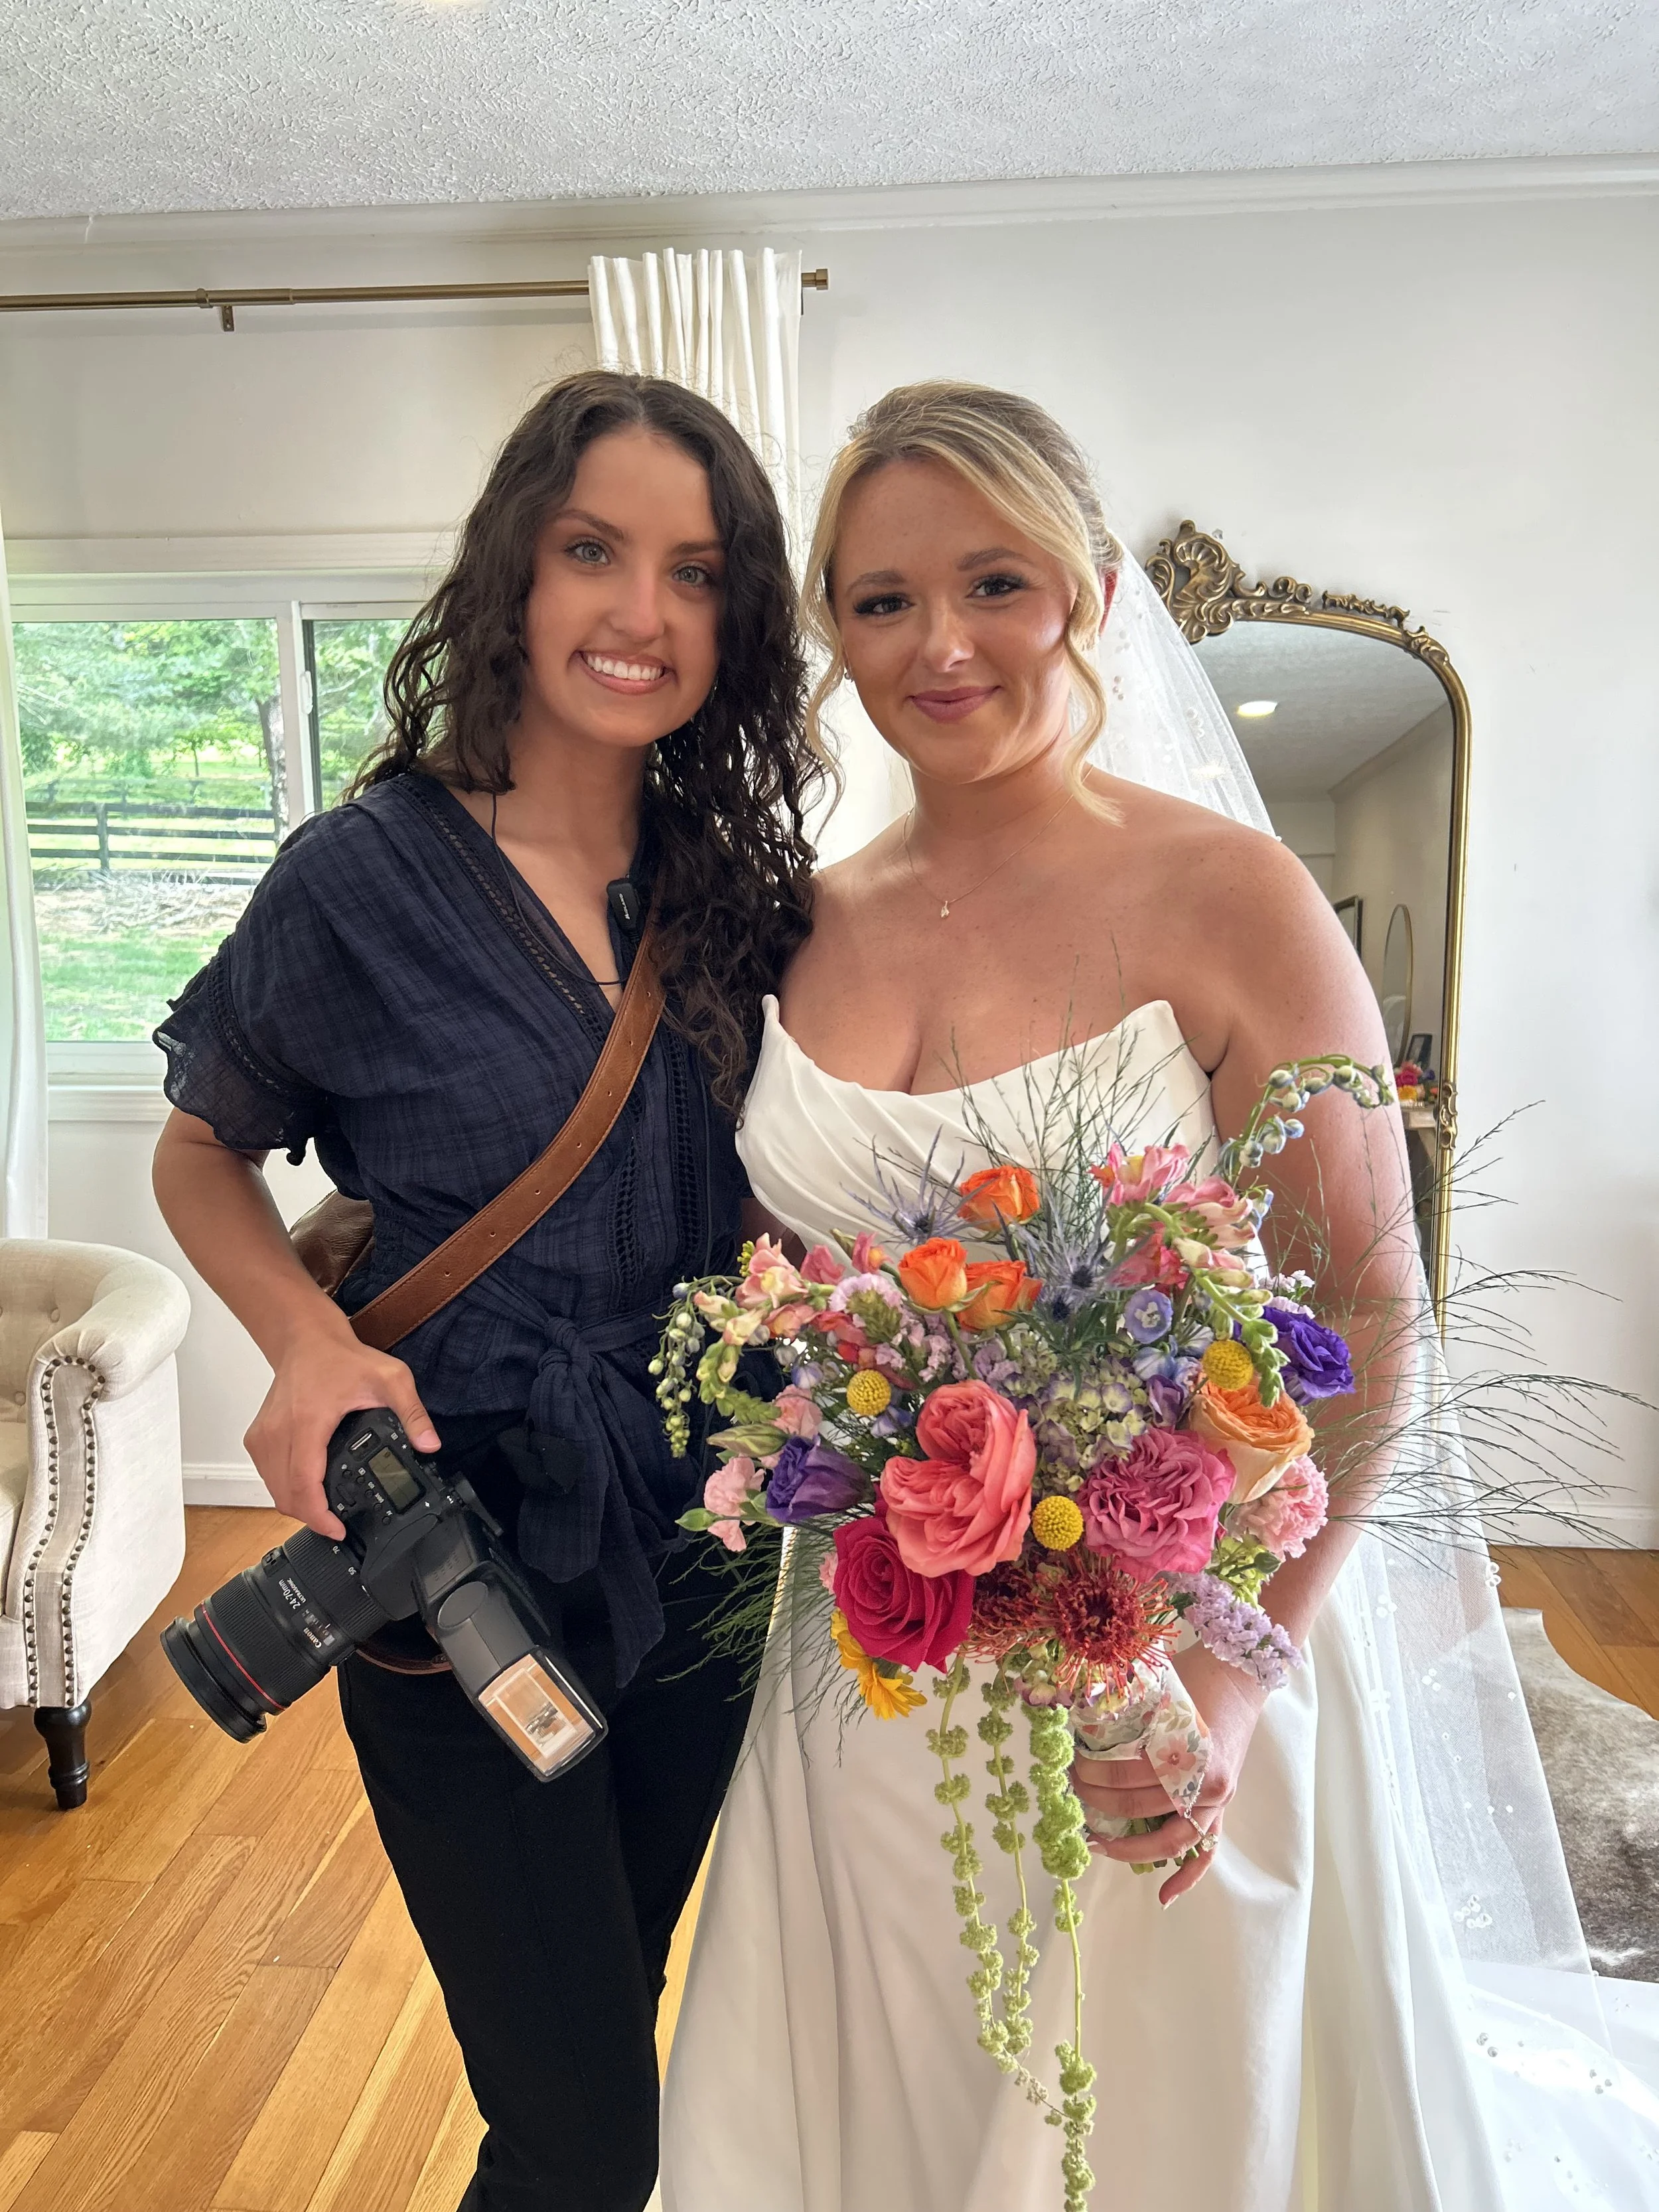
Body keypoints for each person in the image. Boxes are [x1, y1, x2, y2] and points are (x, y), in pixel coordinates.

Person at [661, 382, 1659, 2211]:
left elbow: (1366, 1320)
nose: (938, 643)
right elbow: (774, 1297)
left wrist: (1227, 1677)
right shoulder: (793, 921)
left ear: (1094, 588)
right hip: (870, 1659)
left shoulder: (1231, 895)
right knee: (884, 2091)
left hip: (1169, 1642)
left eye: (994, 581)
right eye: (880, 602)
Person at [151, 368, 820, 2212]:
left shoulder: (738, 888)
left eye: (693, 572)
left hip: (708, 1546)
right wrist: (306, 1342)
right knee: (586, 2132)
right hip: (460, 1561)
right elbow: (199, 1146)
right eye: (594, 550)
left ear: (735, 620)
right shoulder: (358, 880)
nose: (638, 611)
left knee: (613, 2028)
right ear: (514, 569)